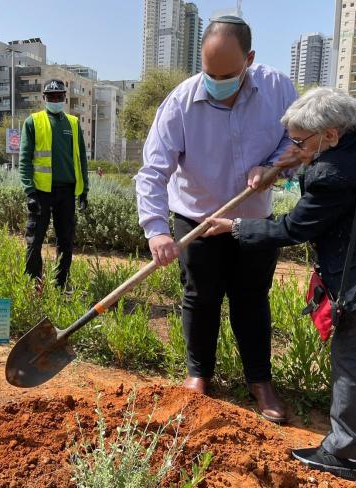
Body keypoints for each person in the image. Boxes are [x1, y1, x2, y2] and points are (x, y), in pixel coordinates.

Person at [205, 87, 356, 483]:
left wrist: (237, 227)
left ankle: (345, 454)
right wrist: (299, 155)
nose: (293, 146)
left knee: (352, 362)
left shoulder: (331, 174)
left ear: (330, 135)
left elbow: (293, 227)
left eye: (299, 140)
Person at [134, 15, 298, 423]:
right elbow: (153, 172)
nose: (216, 81)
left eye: (226, 74)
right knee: (200, 298)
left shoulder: (277, 88)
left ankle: (260, 381)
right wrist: (156, 230)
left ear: (250, 60)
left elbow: (296, 138)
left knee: (251, 299)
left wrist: (273, 166)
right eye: (209, 73)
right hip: (198, 219)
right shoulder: (180, 102)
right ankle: (198, 376)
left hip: (252, 218)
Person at [18, 79, 89, 290]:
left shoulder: (74, 123)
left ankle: (61, 284)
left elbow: (81, 159)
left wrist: (84, 191)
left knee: (65, 241)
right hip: (41, 193)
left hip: (67, 193)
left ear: (64, 98)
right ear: (44, 98)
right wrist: (30, 192)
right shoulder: (33, 122)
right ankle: (34, 284)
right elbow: (25, 159)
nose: (55, 100)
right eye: (51, 97)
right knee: (35, 239)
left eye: (59, 96)